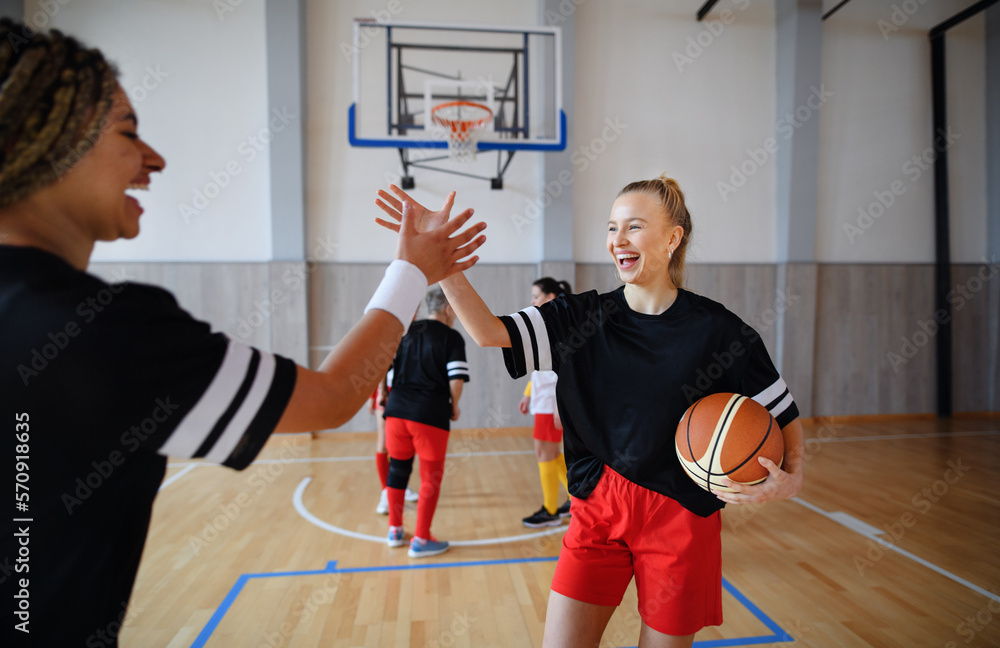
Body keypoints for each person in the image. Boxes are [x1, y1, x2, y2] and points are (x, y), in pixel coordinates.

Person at [0, 21, 486, 648]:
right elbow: (334, 395)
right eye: (128, 131)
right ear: (42, 137)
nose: (155, 159)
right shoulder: (107, 330)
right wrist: (413, 270)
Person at [375, 177, 804, 648]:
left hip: (682, 516)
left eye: (633, 227)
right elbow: (487, 331)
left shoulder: (721, 332)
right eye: (611, 227)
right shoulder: (579, 318)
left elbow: (780, 409)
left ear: (672, 238)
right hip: (598, 507)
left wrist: (794, 475)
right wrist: (443, 263)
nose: (617, 240)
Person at [381, 285, 469, 558]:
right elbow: (456, 377)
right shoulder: (452, 337)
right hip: (430, 414)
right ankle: (421, 539)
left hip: (396, 413)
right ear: (447, 308)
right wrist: (454, 405)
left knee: (397, 471)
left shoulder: (406, 332)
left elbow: (390, 375)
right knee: (429, 477)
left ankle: (394, 530)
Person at [518, 277, 573, 528]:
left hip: (551, 403)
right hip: (541, 401)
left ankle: (551, 510)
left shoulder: (562, 329)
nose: (532, 301)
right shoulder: (544, 326)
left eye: (536, 296)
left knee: (544, 453)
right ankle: (576, 500)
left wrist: (560, 407)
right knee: (551, 454)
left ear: (550, 298)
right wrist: (528, 392)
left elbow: (566, 372)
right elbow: (540, 369)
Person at [371, 376, 418, 514]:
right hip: (386, 390)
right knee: (383, 442)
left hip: (409, 388)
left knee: (406, 443)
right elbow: (378, 366)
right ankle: (386, 491)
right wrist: (373, 395)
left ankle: (402, 485)